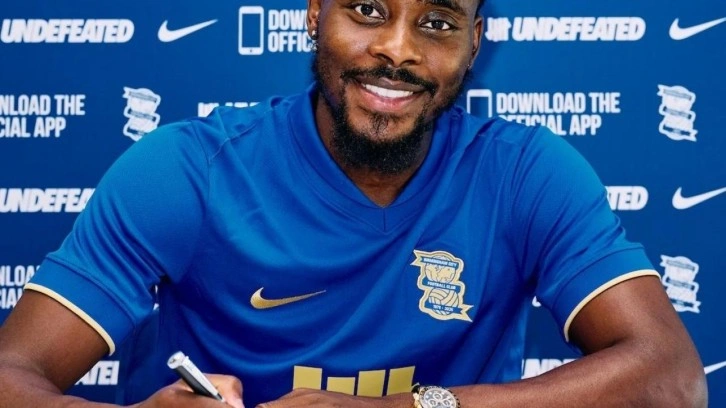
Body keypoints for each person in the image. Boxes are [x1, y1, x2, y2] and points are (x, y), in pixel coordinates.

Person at [0, 0, 708, 407]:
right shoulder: (188, 170)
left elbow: (671, 377)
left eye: (437, 22)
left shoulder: (525, 172)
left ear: (474, 45)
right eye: (368, 10)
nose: (397, 51)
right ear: (315, 13)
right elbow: (12, 375)